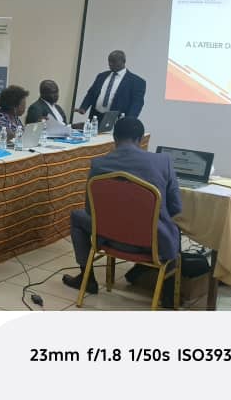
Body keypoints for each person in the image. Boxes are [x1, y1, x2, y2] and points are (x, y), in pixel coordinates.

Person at [61, 118, 182, 299]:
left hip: (110, 238)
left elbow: (90, 210)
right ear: (140, 139)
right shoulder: (163, 161)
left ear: (114, 138)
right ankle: (167, 294)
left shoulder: (99, 164)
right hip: (152, 243)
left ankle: (87, 278)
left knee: (76, 216)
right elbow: (176, 208)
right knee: (174, 228)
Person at [75, 50, 146, 119]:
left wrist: (129, 120)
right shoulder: (101, 76)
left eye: (114, 61)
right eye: (109, 61)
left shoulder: (137, 82)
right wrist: (83, 107)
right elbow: (91, 93)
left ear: (123, 61)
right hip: (95, 116)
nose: (110, 64)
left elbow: (137, 103)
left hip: (116, 119)